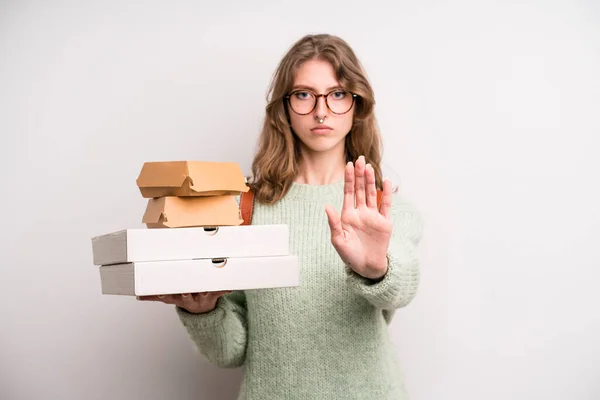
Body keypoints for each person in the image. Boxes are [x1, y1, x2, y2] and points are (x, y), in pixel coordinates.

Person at [139, 33, 424, 399]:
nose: (321, 111)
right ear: (285, 107)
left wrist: (378, 268)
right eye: (304, 95)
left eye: (337, 94)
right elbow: (231, 352)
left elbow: (402, 289)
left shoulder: (384, 207)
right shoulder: (244, 207)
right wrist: (203, 312)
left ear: (357, 105)